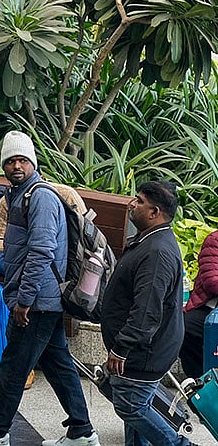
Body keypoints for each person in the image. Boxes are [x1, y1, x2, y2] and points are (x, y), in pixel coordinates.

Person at [0, 131, 98, 446]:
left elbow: (42, 251)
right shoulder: (17, 194)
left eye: (22, 160)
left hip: (39, 299)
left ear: (32, 163)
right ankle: (82, 432)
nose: (16, 165)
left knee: (13, 367)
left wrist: (24, 300)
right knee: (58, 363)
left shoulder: (40, 196)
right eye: (10, 161)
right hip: (40, 297)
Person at [101, 181, 188, 446]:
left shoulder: (157, 252)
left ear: (154, 212)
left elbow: (147, 310)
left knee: (131, 407)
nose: (132, 204)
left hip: (144, 351)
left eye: (139, 201)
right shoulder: (150, 241)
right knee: (136, 413)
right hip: (147, 347)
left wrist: (122, 347)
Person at [181, 229, 218, 379]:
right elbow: (212, 282)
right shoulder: (214, 240)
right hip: (208, 309)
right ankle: (200, 384)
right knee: (184, 328)